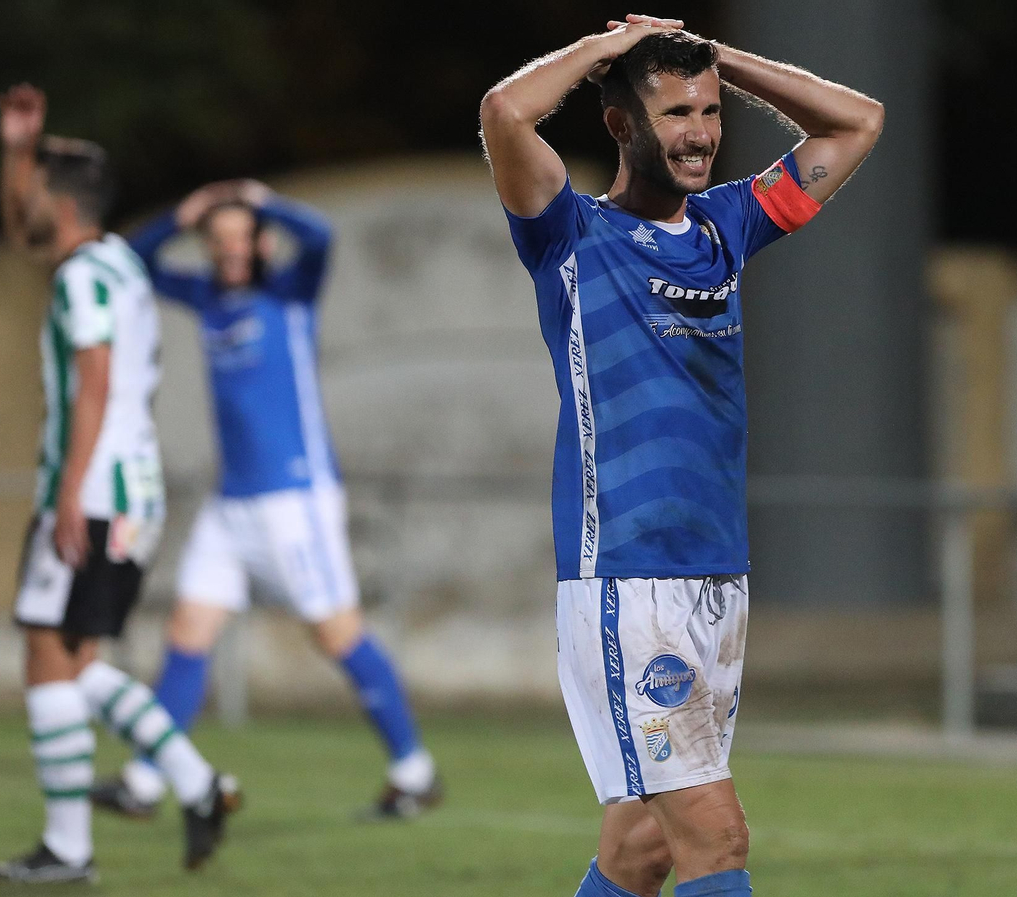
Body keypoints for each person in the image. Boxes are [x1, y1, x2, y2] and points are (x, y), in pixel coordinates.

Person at [480, 15, 883, 897]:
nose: (700, 131)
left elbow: (857, 121)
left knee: (640, 851)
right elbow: (506, 112)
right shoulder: (568, 237)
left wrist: (718, 60)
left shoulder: (728, 226)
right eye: (673, 114)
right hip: (628, 582)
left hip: (716, 577)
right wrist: (610, 47)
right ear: (622, 125)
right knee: (717, 837)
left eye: (708, 112)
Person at [89, 178, 440, 819]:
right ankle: (144, 783)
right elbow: (132, 261)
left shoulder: (290, 292)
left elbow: (322, 236)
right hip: (232, 505)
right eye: (215, 238)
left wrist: (261, 200)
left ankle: (413, 771)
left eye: (238, 236)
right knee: (188, 633)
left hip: (295, 499)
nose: (226, 249)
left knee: (337, 633)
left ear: (257, 241)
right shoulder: (206, 297)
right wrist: (182, 212)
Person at [0, 83, 240, 884]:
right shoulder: (116, 263)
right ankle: (197, 785)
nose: (25, 199)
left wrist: (67, 491)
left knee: (46, 654)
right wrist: (17, 151)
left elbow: (93, 380)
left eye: (33, 185)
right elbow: (24, 229)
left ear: (58, 202)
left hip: (93, 494)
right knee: (75, 662)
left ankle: (70, 846)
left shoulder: (82, 280)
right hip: (126, 492)